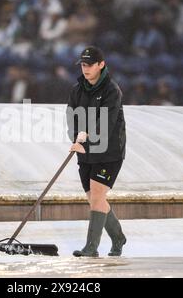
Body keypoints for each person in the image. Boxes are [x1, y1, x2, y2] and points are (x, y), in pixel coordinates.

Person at [66, 46, 127, 257]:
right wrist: (75, 138)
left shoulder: (112, 90)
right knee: (94, 198)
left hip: (109, 151)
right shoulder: (77, 90)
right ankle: (118, 237)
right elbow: (71, 117)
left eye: (89, 65)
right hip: (86, 151)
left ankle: (91, 248)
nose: (85, 69)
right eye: (83, 65)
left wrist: (88, 134)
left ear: (101, 65)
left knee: (98, 195)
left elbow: (107, 123)